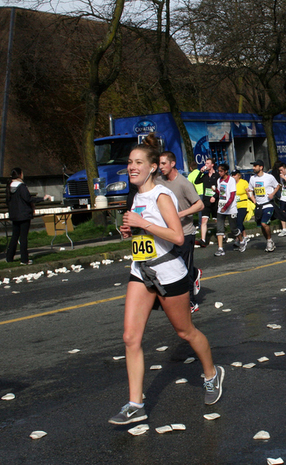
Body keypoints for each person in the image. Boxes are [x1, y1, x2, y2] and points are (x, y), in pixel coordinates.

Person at [109, 135, 223, 425]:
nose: (132, 167)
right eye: (130, 162)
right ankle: (136, 404)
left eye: (138, 163)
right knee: (130, 337)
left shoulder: (162, 195)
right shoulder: (135, 197)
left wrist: (142, 224)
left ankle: (211, 374)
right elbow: (145, 234)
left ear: (151, 168)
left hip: (169, 272)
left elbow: (176, 236)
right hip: (141, 270)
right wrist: (131, 232)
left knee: (185, 332)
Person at [156, 152, 205, 313]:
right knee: (172, 265)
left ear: (172, 164)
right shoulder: (158, 181)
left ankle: (191, 302)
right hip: (168, 232)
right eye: (159, 164)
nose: (161, 167)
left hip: (185, 231)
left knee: (184, 268)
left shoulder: (183, 183)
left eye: (163, 163)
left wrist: (179, 215)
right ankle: (194, 272)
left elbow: (199, 205)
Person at [5, 167, 51, 265]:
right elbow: (28, 199)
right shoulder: (21, 186)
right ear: (20, 175)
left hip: (14, 214)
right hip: (24, 214)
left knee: (14, 236)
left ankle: (9, 257)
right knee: (23, 237)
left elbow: (7, 201)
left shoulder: (9, 186)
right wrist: (42, 199)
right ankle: (24, 259)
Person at [247, 160, 280, 252]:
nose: (253, 168)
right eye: (253, 166)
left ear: (261, 167)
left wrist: (272, 194)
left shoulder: (269, 177)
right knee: (262, 226)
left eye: (255, 166)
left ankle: (269, 241)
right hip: (259, 205)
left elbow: (277, 186)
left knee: (264, 223)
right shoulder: (252, 178)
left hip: (268, 204)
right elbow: (250, 190)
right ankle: (269, 240)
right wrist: (253, 200)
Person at [214, 163, 238, 256]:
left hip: (230, 207)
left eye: (221, 171)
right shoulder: (219, 180)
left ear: (226, 171)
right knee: (219, 228)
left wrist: (226, 207)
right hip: (221, 207)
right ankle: (220, 248)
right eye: (218, 171)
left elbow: (232, 196)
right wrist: (215, 190)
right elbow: (221, 193)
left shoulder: (231, 180)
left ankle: (241, 239)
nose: (219, 173)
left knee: (233, 229)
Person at [194, 158, 218, 247]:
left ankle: (221, 235)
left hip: (215, 201)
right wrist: (201, 172)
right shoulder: (205, 176)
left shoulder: (217, 175)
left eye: (208, 163)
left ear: (212, 165)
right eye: (205, 163)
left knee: (216, 220)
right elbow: (196, 182)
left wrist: (215, 196)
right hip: (206, 201)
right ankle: (203, 240)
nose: (206, 165)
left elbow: (220, 188)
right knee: (204, 219)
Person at [231, 170, 250, 252]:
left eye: (235, 175)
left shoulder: (244, 182)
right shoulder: (231, 183)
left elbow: (249, 192)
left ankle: (238, 240)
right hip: (234, 206)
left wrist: (253, 199)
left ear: (239, 175)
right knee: (236, 221)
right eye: (232, 175)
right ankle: (244, 236)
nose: (233, 176)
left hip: (243, 204)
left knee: (239, 221)